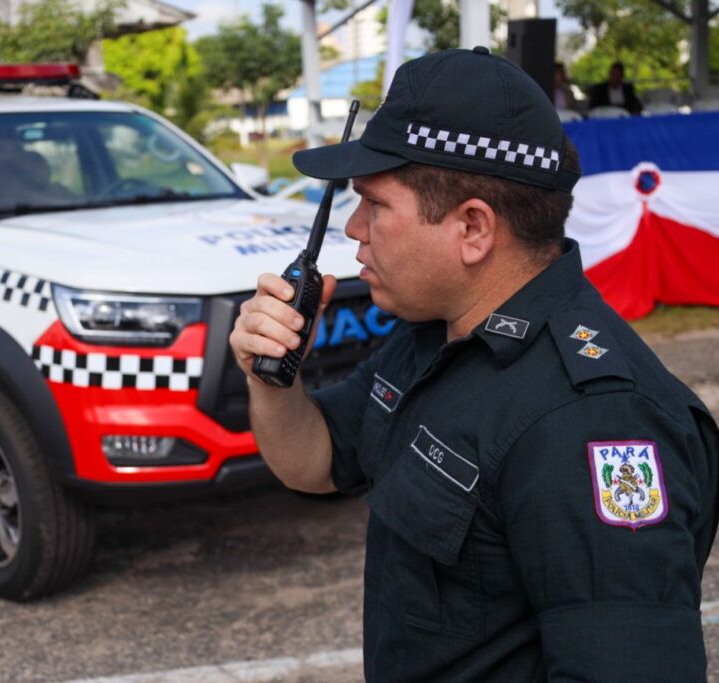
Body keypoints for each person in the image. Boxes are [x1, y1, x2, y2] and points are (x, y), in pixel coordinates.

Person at [229, 46, 718, 681]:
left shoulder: (592, 421)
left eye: (375, 204)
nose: (353, 228)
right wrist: (273, 382)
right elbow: (317, 460)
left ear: (473, 229)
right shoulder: (435, 330)